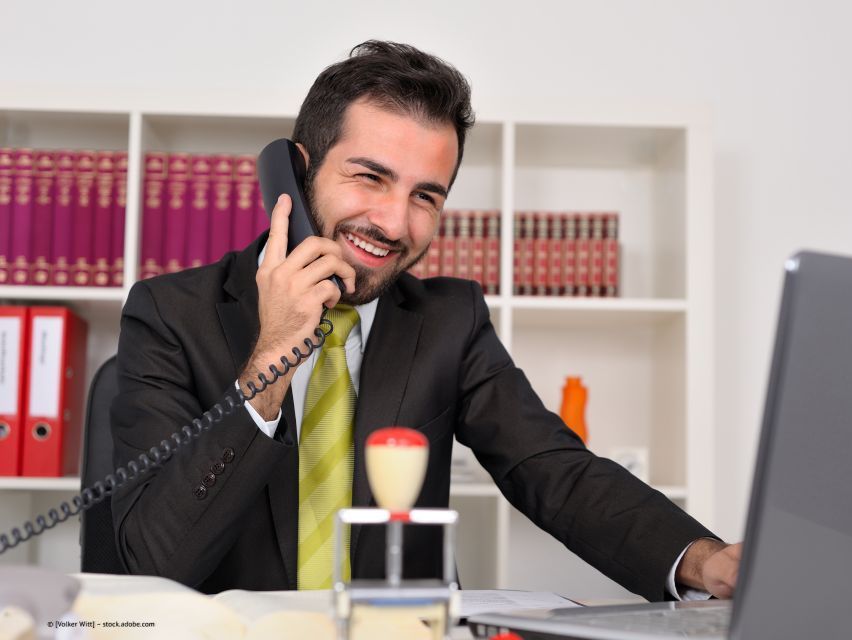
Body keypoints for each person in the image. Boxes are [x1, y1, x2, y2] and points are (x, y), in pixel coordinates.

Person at [110, 40, 741, 601]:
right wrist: (271, 360)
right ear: (297, 174)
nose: (393, 223)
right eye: (369, 177)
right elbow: (154, 562)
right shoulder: (170, 313)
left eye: (424, 196)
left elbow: (553, 470)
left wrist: (704, 561)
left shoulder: (450, 320)